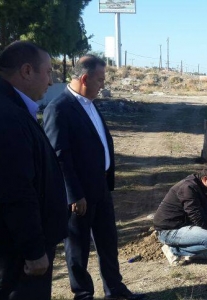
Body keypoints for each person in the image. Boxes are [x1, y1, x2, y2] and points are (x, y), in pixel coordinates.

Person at [43, 55, 144, 300]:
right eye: (100, 80)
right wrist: (74, 194)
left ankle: (115, 290)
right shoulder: (59, 108)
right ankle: (83, 294)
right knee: (78, 249)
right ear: (85, 78)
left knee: (108, 242)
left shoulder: (90, 103)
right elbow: (60, 157)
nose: (103, 84)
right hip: (80, 194)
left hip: (100, 188)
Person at [0, 41, 68, 300]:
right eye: (47, 72)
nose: (50, 80)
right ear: (26, 71)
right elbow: (16, 191)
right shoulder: (5, 117)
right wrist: (34, 251)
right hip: (16, 257)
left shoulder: (10, 108)